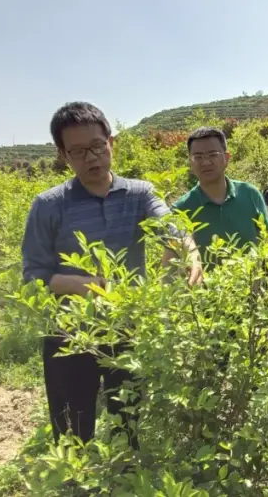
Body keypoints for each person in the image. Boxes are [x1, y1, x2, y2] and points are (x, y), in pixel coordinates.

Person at [21, 102, 201, 446]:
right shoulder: (48, 205)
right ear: (63, 155)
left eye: (97, 146)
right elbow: (33, 275)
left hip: (127, 327)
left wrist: (190, 251)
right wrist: (81, 285)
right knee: (73, 428)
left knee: (128, 419)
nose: (91, 158)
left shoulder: (139, 194)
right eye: (78, 151)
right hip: (69, 335)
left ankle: (125, 477)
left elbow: (171, 229)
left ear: (111, 142)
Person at [173, 127, 268, 263]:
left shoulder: (249, 193)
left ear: (226, 158)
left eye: (213, 154)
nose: (206, 162)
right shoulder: (181, 209)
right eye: (198, 157)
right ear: (190, 162)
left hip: (254, 283)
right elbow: (172, 264)